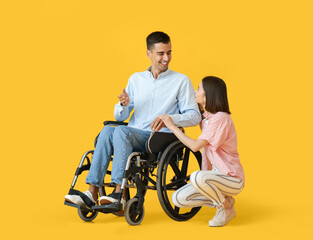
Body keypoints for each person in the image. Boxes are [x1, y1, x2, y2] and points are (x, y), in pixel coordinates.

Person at [65, 31, 201, 215]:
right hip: (133, 135)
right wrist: (124, 105)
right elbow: (121, 118)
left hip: (158, 138)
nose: (166, 58)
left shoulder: (181, 81)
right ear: (149, 54)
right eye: (161, 53)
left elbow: (194, 116)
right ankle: (92, 192)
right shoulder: (136, 79)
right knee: (108, 130)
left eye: (169, 52)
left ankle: (118, 193)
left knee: (121, 132)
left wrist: (170, 119)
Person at [159, 76, 245, 227]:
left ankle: (224, 208)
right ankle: (226, 201)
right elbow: (195, 114)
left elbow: (195, 146)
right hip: (213, 179)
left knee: (197, 177)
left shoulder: (221, 119)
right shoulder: (207, 119)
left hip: (231, 178)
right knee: (178, 199)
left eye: (198, 89)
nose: (195, 91)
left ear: (208, 95)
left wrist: (172, 127)